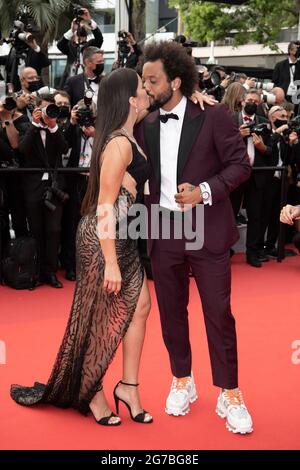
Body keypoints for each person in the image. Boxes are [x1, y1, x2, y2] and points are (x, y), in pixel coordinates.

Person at [10, 68, 153, 426]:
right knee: (98, 318)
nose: (148, 90)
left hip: (126, 234)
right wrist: (110, 261)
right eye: (143, 87)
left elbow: (169, 101)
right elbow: (105, 206)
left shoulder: (129, 136)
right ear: (131, 99)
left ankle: (129, 387)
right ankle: (92, 390)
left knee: (140, 307)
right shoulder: (119, 143)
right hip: (104, 238)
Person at [135, 41, 253, 434]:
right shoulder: (145, 123)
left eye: (153, 80)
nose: (148, 87)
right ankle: (182, 379)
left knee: (218, 313)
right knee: (171, 312)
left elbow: (240, 165)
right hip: (163, 229)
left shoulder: (213, 115)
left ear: (177, 81)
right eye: (144, 80)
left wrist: (203, 190)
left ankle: (230, 391)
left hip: (205, 226)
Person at [57, 7, 103, 88]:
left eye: (83, 34)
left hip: (88, 81)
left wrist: (89, 21)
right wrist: (72, 30)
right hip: (71, 81)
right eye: (79, 34)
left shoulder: (90, 45)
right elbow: (60, 45)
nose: (81, 35)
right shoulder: (70, 47)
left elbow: (99, 39)